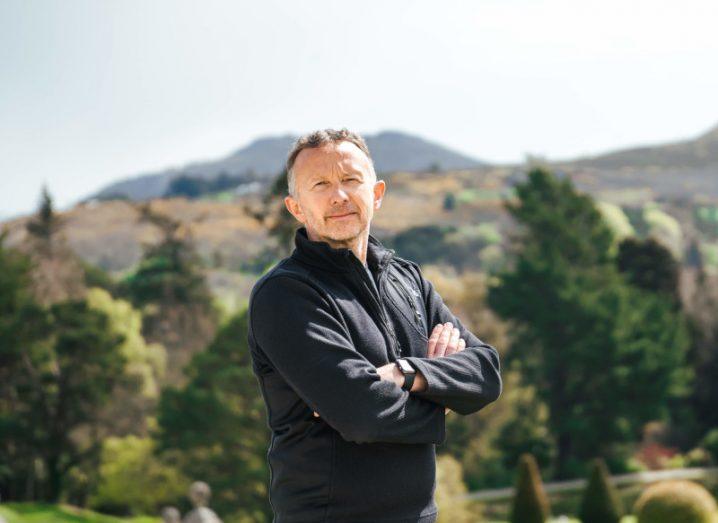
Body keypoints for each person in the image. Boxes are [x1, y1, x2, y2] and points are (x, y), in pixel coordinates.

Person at [247, 128, 502, 522]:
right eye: (320, 184)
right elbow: (362, 416)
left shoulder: (407, 279)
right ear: (296, 207)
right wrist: (444, 397)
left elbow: (486, 372)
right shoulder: (286, 295)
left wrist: (407, 373)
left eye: (351, 180)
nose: (339, 196)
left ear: (377, 194)